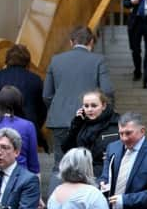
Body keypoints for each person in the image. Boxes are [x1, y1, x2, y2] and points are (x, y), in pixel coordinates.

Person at [43, 26, 114, 173]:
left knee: (60, 165)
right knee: (87, 165)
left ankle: (57, 195)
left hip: (60, 121)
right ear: (91, 42)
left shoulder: (56, 60)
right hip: (88, 122)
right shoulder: (98, 60)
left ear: (71, 42)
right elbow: (107, 91)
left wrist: (59, 108)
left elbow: (47, 95)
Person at [0, 44, 48, 152]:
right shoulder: (35, 80)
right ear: (27, 62)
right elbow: (42, 107)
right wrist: (36, 125)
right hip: (27, 127)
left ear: (7, 60)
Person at [61, 90, 120, 177]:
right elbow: (67, 149)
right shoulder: (81, 123)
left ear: (103, 106)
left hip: (106, 175)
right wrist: (76, 125)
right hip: (82, 174)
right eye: (86, 106)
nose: (89, 109)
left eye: (94, 106)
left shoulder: (117, 123)